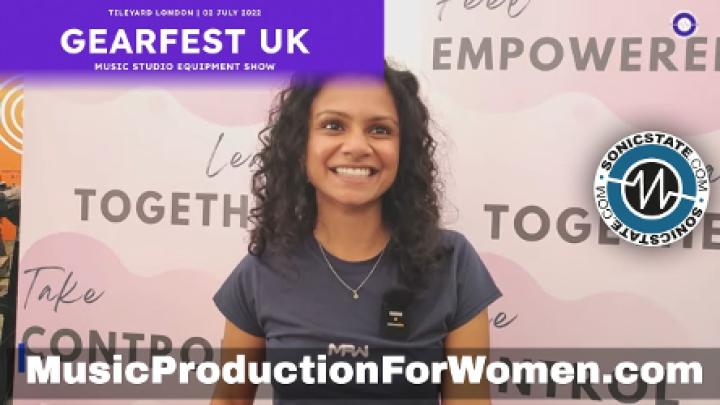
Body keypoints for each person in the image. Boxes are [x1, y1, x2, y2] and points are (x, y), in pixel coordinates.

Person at [211, 62, 501, 404]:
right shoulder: (263, 269)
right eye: (333, 126)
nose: (357, 146)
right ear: (301, 145)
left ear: (403, 150)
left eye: (380, 130)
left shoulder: (453, 264)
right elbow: (230, 398)